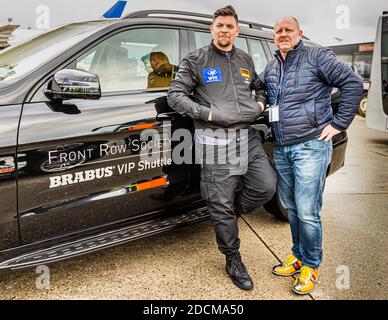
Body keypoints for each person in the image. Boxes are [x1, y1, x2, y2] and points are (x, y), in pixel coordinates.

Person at [167, 5, 276, 290]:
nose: (224, 30)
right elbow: (175, 96)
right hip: (215, 142)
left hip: (247, 138)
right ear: (212, 29)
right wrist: (210, 114)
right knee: (221, 202)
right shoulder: (196, 60)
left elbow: (260, 87)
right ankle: (232, 257)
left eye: (229, 26)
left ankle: (223, 212)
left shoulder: (244, 59)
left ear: (236, 30)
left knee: (266, 187)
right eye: (219, 26)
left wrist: (260, 104)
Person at [262, 16, 363, 295]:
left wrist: (339, 123)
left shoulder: (317, 57)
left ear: (299, 33)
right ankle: (297, 257)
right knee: (291, 207)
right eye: (279, 30)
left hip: (310, 146)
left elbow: (353, 83)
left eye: (288, 30)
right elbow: (258, 90)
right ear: (274, 35)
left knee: (307, 211)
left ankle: (312, 265)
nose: (283, 34)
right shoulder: (271, 66)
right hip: (282, 148)